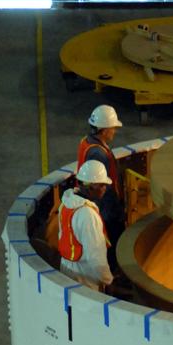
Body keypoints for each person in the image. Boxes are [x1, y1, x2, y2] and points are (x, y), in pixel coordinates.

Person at [57, 160, 114, 292]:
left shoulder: (66, 204)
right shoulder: (87, 215)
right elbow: (95, 257)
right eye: (102, 185)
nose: (105, 188)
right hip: (86, 279)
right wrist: (108, 280)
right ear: (91, 186)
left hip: (67, 270)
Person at [77, 104, 126, 256]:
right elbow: (100, 186)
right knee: (114, 239)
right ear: (104, 130)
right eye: (113, 128)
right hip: (105, 207)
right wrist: (115, 210)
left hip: (100, 204)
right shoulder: (98, 153)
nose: (114, 131)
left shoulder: (87, 142)